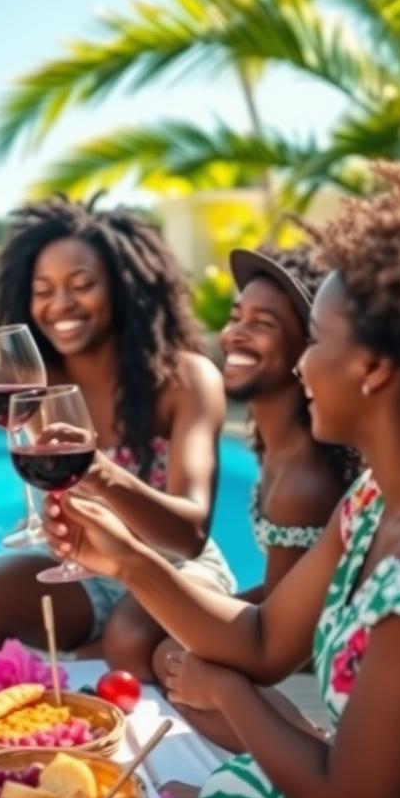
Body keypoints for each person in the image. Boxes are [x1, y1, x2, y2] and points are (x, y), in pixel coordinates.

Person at [43, 165, 400, 798]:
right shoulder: (373, 505)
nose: (301, 366)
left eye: (316, 339)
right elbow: (264, 640)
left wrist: (229, 694)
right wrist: (129, 563)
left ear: (377, 366)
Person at [0, 197, 236, 678]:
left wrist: (98, 471)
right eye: (43, 290)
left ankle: (96, 668)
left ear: (125, 288)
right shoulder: (35, 377)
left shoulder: (185, 380)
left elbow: (189, 535)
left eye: (82, 285)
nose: (60, 304)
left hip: (174, 571)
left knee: (129, 637)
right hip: (83, 570)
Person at [151, 243, 360, 750]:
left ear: (305, 350)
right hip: (286, 624)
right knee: (157, 637)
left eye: (263, 323)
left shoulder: (303, 481)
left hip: (311, 650)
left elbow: (286, 629)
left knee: (173, 655)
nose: (236, 332)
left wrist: (202, 614)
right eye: (236, 315)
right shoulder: (276, 447)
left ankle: (306, 745)